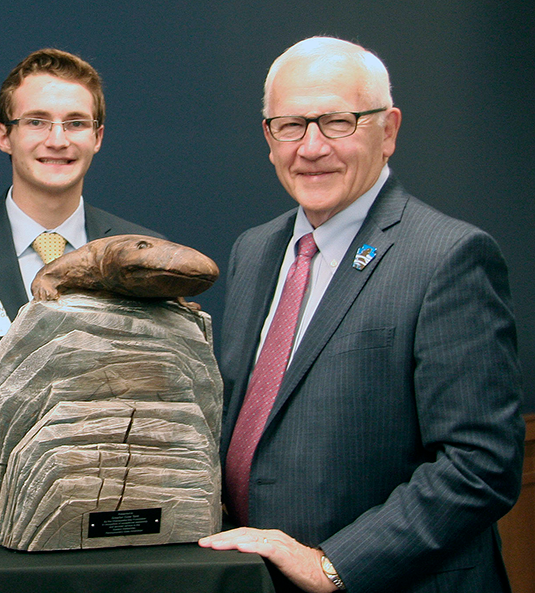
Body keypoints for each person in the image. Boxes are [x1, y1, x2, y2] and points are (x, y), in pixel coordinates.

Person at [198, 37, 524, 593]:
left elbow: (482, 465)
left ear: (389, 130)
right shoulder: (253, 251)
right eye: (291, 125)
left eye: (338, 122)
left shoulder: (448, 257)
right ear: (269, 137)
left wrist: (333, 565)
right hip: (256, 575)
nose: (312, 147)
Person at [0, 48, 161, 519]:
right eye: (36, 121)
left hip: (117, 517)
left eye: (76, 123)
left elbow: (160, 399)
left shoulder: (143, 257)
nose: (57, 139)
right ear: (4, 135)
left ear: (97, 137)